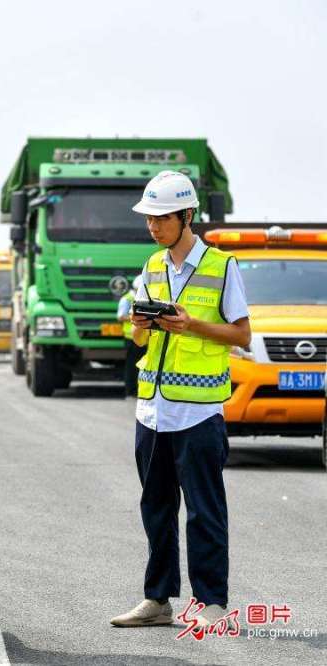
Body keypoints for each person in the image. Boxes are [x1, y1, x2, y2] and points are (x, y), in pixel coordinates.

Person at [110, 171, 250, 631]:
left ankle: (211, 604)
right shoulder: (151, 266)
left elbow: (241, 334)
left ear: (187, 216)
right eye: (149, 219)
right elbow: (136, 338)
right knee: (156, 509)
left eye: (161, 218)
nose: (153, 227)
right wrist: (140, 323)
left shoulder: (222, 267)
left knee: (205, 511)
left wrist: (190, 325)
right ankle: (158, 599)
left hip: (198, 412)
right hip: (152, 411)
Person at [116, 275, 146, 397]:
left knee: (141, 365)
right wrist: (137, 317)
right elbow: (120, 316)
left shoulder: (140, 298)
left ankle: (139, 389)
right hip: (130, 338)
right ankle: (131, 390)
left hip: (141, 338)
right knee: (131, 366)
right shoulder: (127, 299)